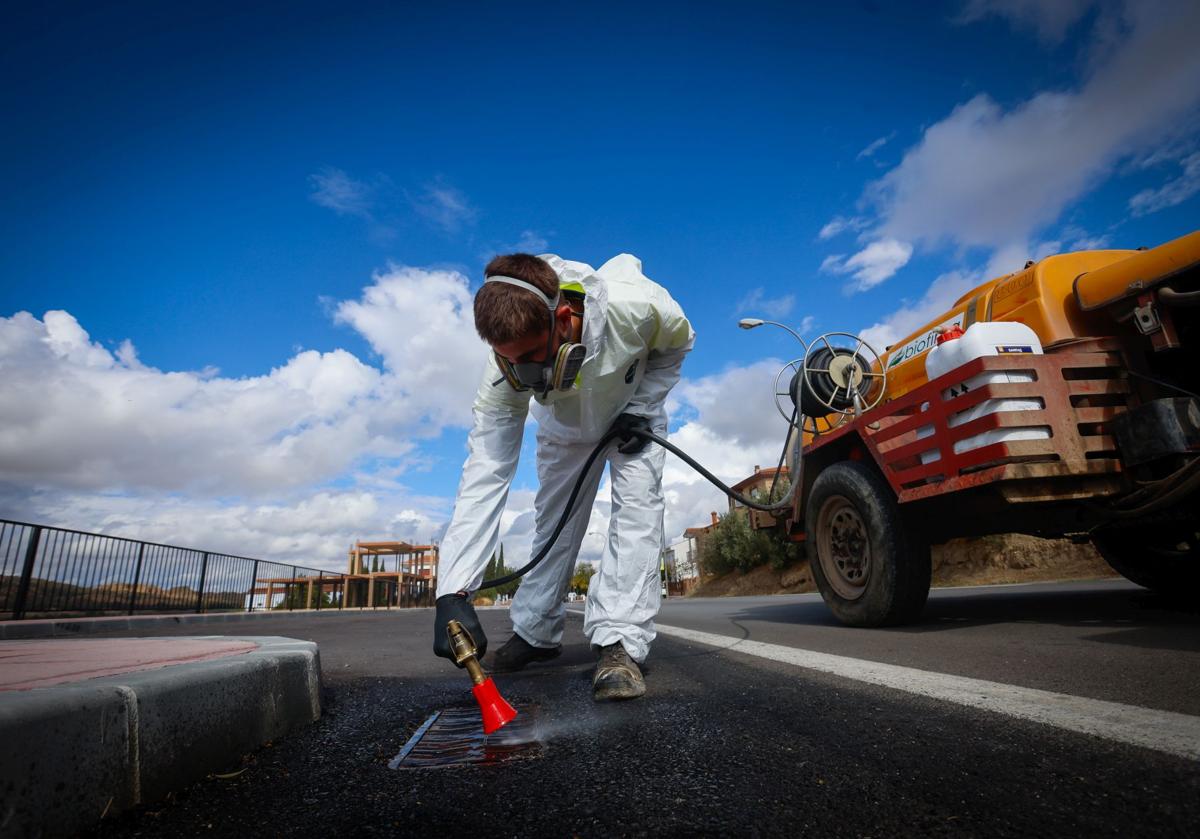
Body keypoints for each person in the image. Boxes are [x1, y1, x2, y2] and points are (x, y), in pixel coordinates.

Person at [432, 252, 694, 701]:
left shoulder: (636, 307)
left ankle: (619, 643)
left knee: (638, 514)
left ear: (565, 317)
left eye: (534, 357)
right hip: (564, 431)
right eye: (511, 363)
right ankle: (536, 632)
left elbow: (676, 345)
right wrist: (453, 590)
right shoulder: (504, 373)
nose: (526, 376)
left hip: (633, 417)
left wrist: (642, 406)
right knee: (553, 525)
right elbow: (486, 473)